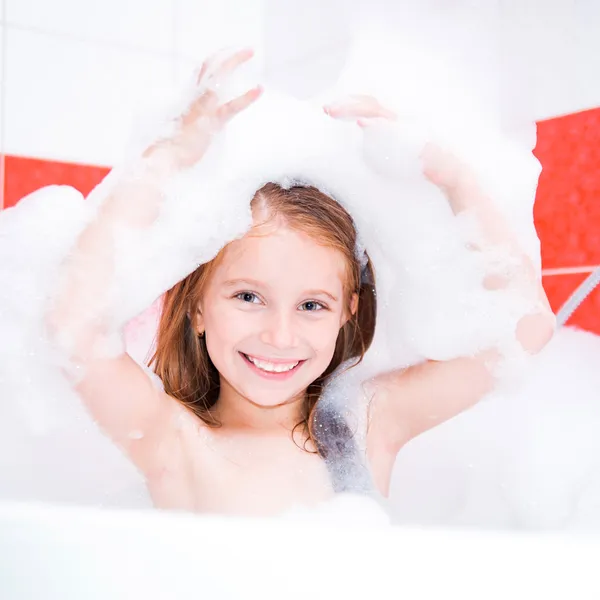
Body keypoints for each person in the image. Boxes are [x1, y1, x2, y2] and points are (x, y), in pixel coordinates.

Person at [45, 48, 555, 517]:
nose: (280, 335)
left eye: (312, 305)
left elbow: (524, 331)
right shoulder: (174, 441)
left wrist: (453, 180)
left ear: (347, 311)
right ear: (197, 307)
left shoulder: (364, 425)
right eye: (249, 297)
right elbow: (73, 326)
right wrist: (166, 163)